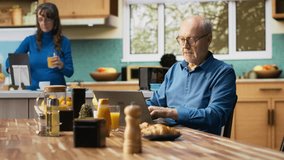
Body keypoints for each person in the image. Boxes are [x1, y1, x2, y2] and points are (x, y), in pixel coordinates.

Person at [146, 16, 236, 135]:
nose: (185, 45)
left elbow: (215, 116)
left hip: (202, 142)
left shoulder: (223, 73)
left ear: (209, 39)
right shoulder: (174, 70)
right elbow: (154, 102)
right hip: (168, 138)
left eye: (191, 39)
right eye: (181, 39)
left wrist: (171, 113)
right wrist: (129, 106)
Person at [5, 2, 74, 90]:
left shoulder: (64, 42)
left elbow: (70, 72)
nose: (44, 23)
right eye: (40, 19)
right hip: (33, 92)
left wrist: (61, 65)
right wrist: (10, 69)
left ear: (55, 20)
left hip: (56, 93)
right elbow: (10, 60)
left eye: (48, 19)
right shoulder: (30, 41)